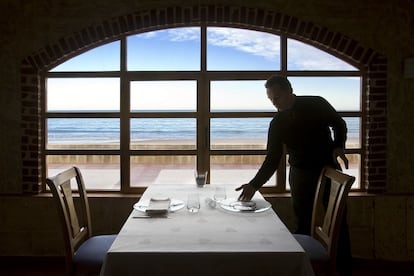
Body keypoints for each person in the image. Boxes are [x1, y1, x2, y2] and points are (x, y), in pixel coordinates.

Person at [235, 75, 352, 274]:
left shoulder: (316, 103)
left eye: (278, 98)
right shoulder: (278, 122)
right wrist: (254, 185)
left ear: (290, 91)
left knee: (338, 224)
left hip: (328, 169)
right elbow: (272, 159)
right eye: (271, 100)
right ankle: (304, 270)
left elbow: (339, 124)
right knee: (302, 223)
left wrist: (339, 146)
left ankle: (344, 269)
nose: (275, 104)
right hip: (300, 172)